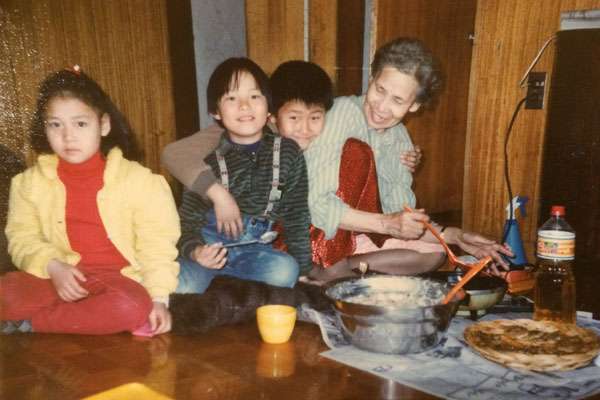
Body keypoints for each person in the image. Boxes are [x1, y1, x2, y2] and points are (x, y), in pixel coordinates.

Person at [163, 39, 512, 279]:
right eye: (379, 90)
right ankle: (331, 271)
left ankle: (343, 271)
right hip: (298, 226)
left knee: (434, 254)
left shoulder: (399, 139)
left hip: (347, 229)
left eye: (398, 101)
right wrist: (387, 224)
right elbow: (315, 203)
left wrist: (453, 235)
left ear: (415, 106)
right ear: (371, 79)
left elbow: (399, 209)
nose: (382, 107)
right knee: (358, 153)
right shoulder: (338, 115)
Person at [0, 66, 180, 335]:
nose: (68, 136)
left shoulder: (141, 182)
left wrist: (159, 299)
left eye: (80, 124)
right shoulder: (27, 183)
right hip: (55, 276)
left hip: (115, 281)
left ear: (104, 125)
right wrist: (52, 265)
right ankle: (80, 314)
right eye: (55, 124)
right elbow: (21, 238)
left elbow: (157, 246)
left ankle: (33, 324)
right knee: (8, 293)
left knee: (133, 305)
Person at [174, 57, 310, 294]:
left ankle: (226, 289)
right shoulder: (206, 163)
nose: (245, 106)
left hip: (254, 253)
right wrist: (195, 252)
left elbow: (296, 216)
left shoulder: (288, 153)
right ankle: (229, 288)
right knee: (181, 284)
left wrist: (304, 271)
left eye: (255, 96)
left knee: (286, 270)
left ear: (269, 107)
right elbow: (186, 222)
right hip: (209, 249)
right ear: (215, 111)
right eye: (232, 98)